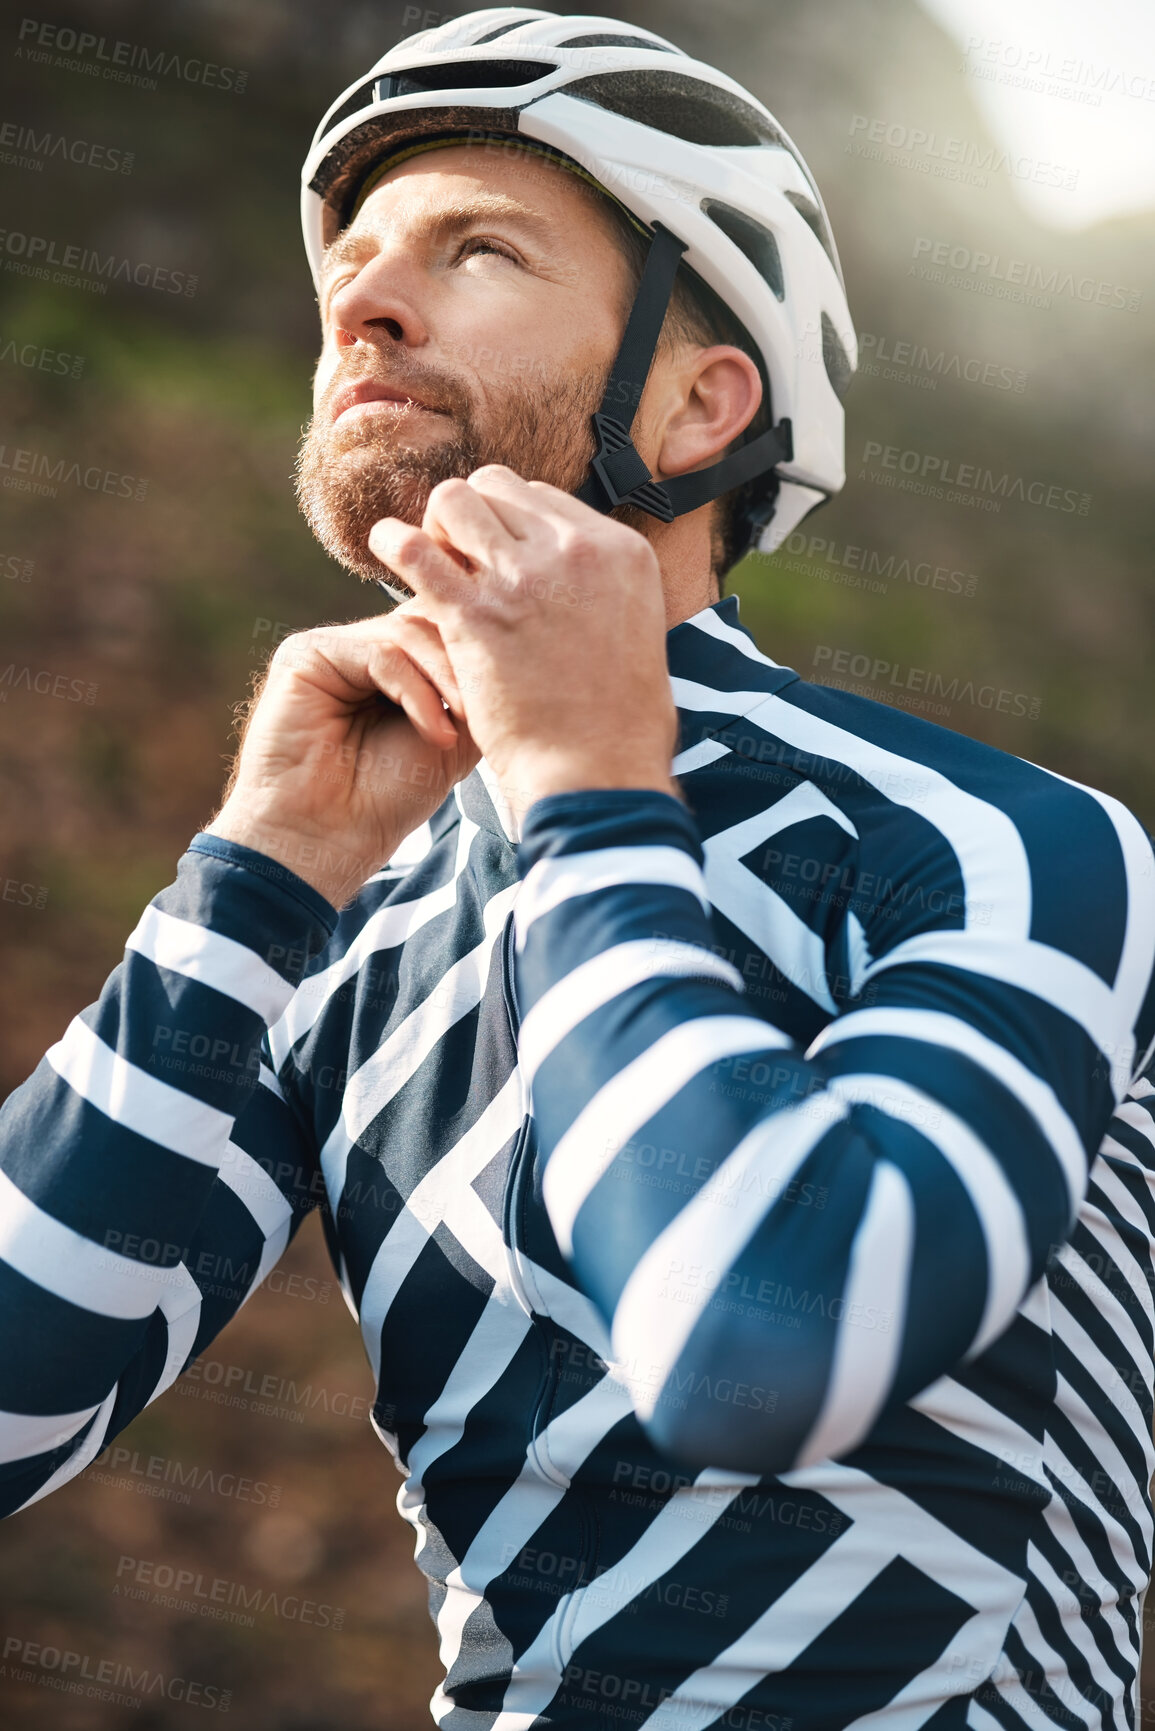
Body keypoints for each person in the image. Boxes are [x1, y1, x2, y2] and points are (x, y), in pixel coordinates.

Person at [2, 9, 1153, 1727]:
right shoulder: (345, 921)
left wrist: (591, 790)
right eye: (360, 265)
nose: (364, 301)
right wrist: (256, 874)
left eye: (479, 250)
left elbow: (757, 1351)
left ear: (700, 405)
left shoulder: (998, 841)